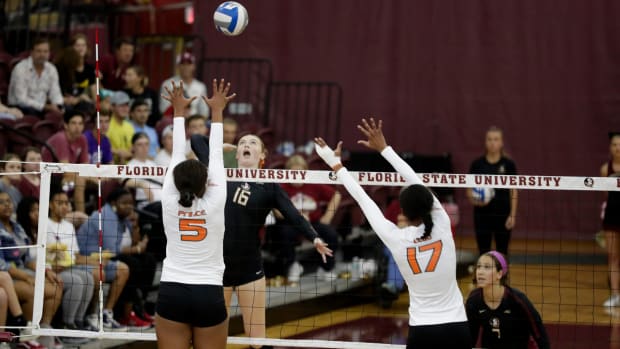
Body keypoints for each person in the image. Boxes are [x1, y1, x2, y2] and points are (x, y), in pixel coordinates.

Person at [314, 118, 470, 348]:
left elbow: (362, 199)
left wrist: (336, 165)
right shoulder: (442, 224)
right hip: (456, 327)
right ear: (429, 204)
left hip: (422, 331)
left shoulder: (397, 238)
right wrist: (384, 149)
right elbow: (414, 179)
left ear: (403, 211)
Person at [190, 120, 332, 349]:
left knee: (257, 340)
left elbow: (294, 215)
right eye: (242, 142)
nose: (246, 144)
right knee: (214, 339)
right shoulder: (219, 175)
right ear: (237, 154)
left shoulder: (270, 186)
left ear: (262, 154)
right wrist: (220, 147)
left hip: (250, 269)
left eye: (253, 142)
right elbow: (196, 140)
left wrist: (314, 237)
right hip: (217, 268)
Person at [155, 79, 233, 349]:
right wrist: (217, 111)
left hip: (172, 291)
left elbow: (177, 151)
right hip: (208, 293)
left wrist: (178, 111)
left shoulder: (168, 199)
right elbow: (216, 156)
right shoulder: (215, 200)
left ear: (175, 181)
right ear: (206, 183)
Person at [466, 251, 550, 349]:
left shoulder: (517, 299)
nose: (480, 271)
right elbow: (470, 337)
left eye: (487, 267)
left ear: (499, 274)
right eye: (479, 266)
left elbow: (538, 333)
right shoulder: (474, 300)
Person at [277, 154, 340, 282]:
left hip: (313, 222)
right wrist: (293, 216)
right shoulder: (281, 187)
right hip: (291, 223)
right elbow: (276, 209)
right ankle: (292, 266)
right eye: (293, 173)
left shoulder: (313, 184)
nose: (297, 176)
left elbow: (336, 195)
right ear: (287, 173)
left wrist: (328, 215)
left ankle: (326, 268)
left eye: (300, 172)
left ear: (305, 172)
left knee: (331, 234)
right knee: (283, 234)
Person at [46, 190, 94, 333]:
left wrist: (93, 260)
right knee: (77, 281)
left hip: (68, 266)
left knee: (89, 278)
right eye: (59, 203)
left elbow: (75, 255)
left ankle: (78, 321)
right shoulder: (45, 224)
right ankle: (66, 324)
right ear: (49, 205)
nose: (64, 206)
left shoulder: (69, 226)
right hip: (50, 269)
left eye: (67, 203)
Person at [467, 126, 518, 256]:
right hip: (482, 215)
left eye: (496, 139)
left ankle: (503, 276)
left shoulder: (509, 165)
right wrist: (476, 201)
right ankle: (483, 276)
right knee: (483, 251)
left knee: (503, 251)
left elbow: (514, 191)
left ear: (501, 142)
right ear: (485, 142)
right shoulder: (477, 165)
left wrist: (512, 215)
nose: (492, 142)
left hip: (503, 214)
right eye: (489, 139)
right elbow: (468, 189)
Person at [41, 109, 89, 212]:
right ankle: (82, 217)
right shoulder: (60, 139)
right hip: (51, 180)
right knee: (79, 180)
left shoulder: (82, 139)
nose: (77, 127)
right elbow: (66, 171)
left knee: (100, 180)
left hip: (68, 178)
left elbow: (86, 167)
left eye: (80, 124)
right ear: (66, 125)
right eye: (73, 123)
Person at [7, 38, 64, 117]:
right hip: (21, 107)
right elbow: (21, 100)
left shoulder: (51, 68)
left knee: (67, 111)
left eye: (45, 51)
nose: (42, 55)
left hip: (43, 107)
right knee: (32, 112)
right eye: (39, 51)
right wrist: (45, 107)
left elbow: (55, 93)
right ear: (31, 52)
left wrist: (58, 106)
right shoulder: (20, 69)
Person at [159, 51, 208, 118]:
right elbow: (163, 109)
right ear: (178, 66)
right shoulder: (168, 84)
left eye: (189, 64)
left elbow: (204, 112)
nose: (186, 67)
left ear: (194, 66)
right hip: (173, 119)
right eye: (183, 64)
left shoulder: (200, 86)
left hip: (194, 122)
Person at [602, 132, 620, 307]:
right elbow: (606, 195)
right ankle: (615, 295)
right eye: (614, 144)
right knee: (613, 257)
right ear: (610, 147)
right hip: (612, 217)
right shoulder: (605, 169)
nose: (618, 148)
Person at [106, 91, 135, 164]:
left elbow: (133, 147)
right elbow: (100, 146)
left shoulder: (129, 126)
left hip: (128, 167)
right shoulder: (106, 124)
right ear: (112, 107)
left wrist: (130, 153)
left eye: (127, 105)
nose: (125, 109)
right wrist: (118, 152)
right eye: (121, 105)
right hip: (110, 167)